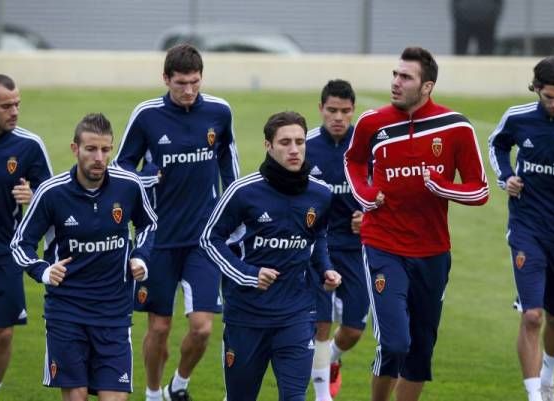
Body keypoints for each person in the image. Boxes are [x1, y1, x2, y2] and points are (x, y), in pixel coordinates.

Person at [344, 47, 489, 401]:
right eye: (395, 74)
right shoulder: (372, 122)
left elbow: (480, 189)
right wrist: (364, 196)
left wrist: (443, 188)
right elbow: (353, 161)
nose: (395, 82)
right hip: (383, 245)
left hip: (433, 252)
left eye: (405, 77)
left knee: (420, 351)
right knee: (395, 343)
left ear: (427, 87)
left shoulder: (455, 126)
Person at [113, 43, 240, 401]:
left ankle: (178, 386)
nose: (188, 91)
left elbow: (230, 170)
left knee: (201, 330)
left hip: (204, 239)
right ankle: (154, 393)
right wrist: (145, 178)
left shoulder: (219, 111)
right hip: (159, 239)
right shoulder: (146, 115)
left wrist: (236, 218)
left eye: (195, 82)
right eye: (180, 83)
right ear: (165, 79)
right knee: (159, 328)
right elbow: (121, 168)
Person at [10, 113, 158, 401]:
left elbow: (148, 224)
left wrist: (141, 257)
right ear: (75, 148)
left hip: (113, 312)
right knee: (76, 396)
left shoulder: (129, 185)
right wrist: (43, 270)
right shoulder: (51, 193)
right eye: (91, 149)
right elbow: (20, 244)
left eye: (105, 149)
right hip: (67, 311)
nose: (99, 157)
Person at [200, 111, 342, 401]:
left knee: (294, 397)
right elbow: (209, 239)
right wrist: (249, 274)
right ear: (268, 146)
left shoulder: (321, 194)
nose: (294, 150)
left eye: (300, 142)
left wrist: (326, 268)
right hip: (246, 317)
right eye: (285, 142)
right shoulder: (243, 192)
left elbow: (318, 236)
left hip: (296, 314)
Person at [488, 55, 554, 401]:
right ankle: (535, 395)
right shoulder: (518, 117)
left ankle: (548, 377)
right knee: (533, 315)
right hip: (528, 228)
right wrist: (506, 177)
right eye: (548, 96)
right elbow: (496, 145)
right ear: (536, 89)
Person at [0, 74, 52, 401]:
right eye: (7, 106)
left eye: (18, 104)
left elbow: (54, 200)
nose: (15, 111)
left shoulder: (29, 146)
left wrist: (32, 196)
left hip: (6, 256)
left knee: (4, 336)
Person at [306, 80, 369, 401]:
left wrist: (370, 216)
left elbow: (385, 194)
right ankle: (321, 394)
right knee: (321, 320)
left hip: (356, 249)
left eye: (345, 111)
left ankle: (326, 361)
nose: (338, 117)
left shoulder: (367, 146)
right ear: (321, 109)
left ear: (353, 111)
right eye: (332, 110)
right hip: (318, 247)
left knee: (355, 328)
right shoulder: (305, 146)